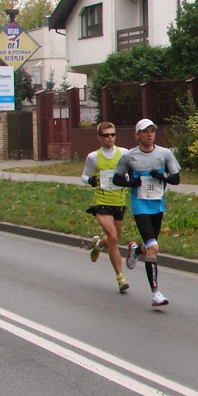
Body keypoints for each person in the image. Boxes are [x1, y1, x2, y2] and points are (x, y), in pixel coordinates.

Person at [113, 119, 181, 307]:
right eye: (145, 131)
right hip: (140, 206)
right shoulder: (129, 157)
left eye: (152, 131)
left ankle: (136, 249)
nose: (149, 134)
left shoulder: (164, 153)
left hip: (157, 205)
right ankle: (155, 293)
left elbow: (176, 178)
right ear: (137, 135)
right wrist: (131, 184)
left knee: (150, 247)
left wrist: (161, 176)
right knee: (154, 249)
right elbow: (117, 179)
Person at [81, 121, 131, 293]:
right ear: (99, 137)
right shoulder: (93, 157)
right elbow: (84, 175)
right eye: (106, 135)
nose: (110, 137)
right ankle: (120, 277)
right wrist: (90, 180)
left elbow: (130, 171)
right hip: (102, 202)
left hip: (119, 201)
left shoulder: (123, 153)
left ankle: (98, 245)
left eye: (112, 134)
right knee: (113, 237)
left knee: (112, 239)